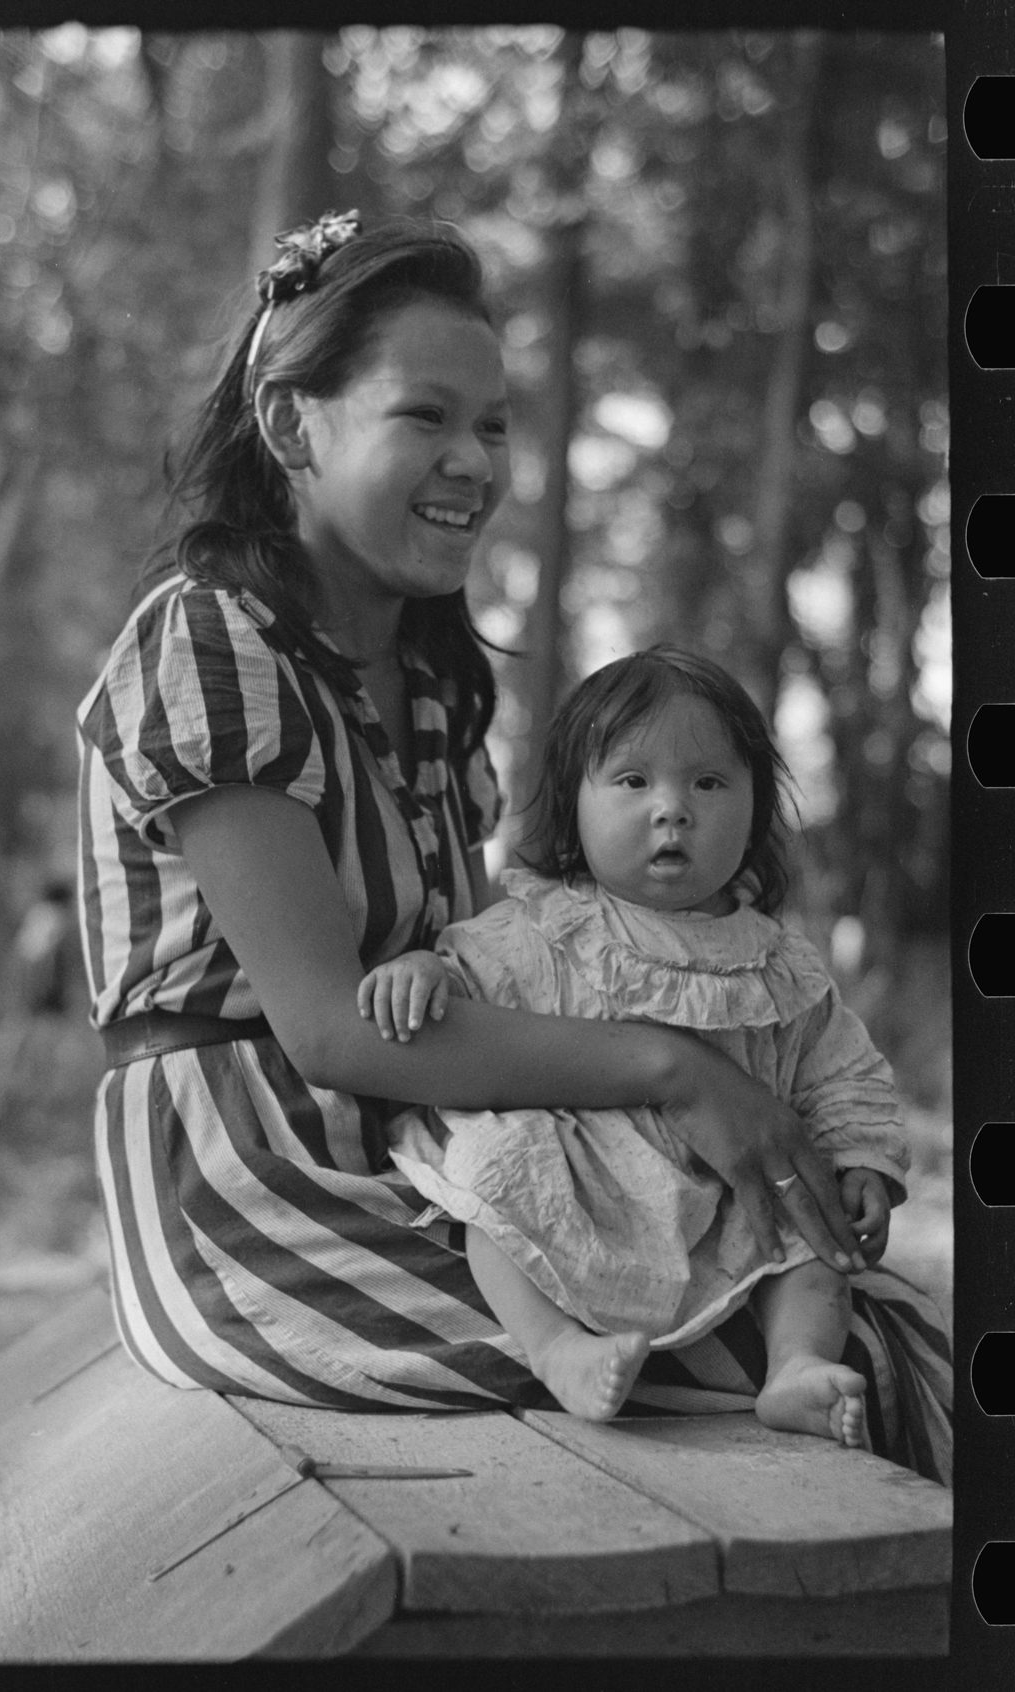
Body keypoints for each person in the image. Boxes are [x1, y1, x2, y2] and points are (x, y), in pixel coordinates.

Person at [75, 212, 950, 1483]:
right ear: (289, 427)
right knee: (818, 1356)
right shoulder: (209, 645)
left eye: (492, 424)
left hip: (439, 1150)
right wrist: (678, 1070)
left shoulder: (432, 680)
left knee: (838, 1291)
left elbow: (496, 965)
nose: (473, 462)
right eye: (424, 417)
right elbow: (329, 1028)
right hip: (252, 1181)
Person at [360, 648, 907, 1447]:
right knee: (495, 1169)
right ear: (573, 808)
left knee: (813, 1242)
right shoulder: (547, 922)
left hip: (726, 1203)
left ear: (757, 809)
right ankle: (558, 1349)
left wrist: (862, 1162)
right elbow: (470, 977)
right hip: (579, 1184)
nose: (672, 809)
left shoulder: (778, 962)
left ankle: (794, 1367)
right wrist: (422, 971)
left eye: (709, 784)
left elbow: (840, 1073)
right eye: (632, 781)